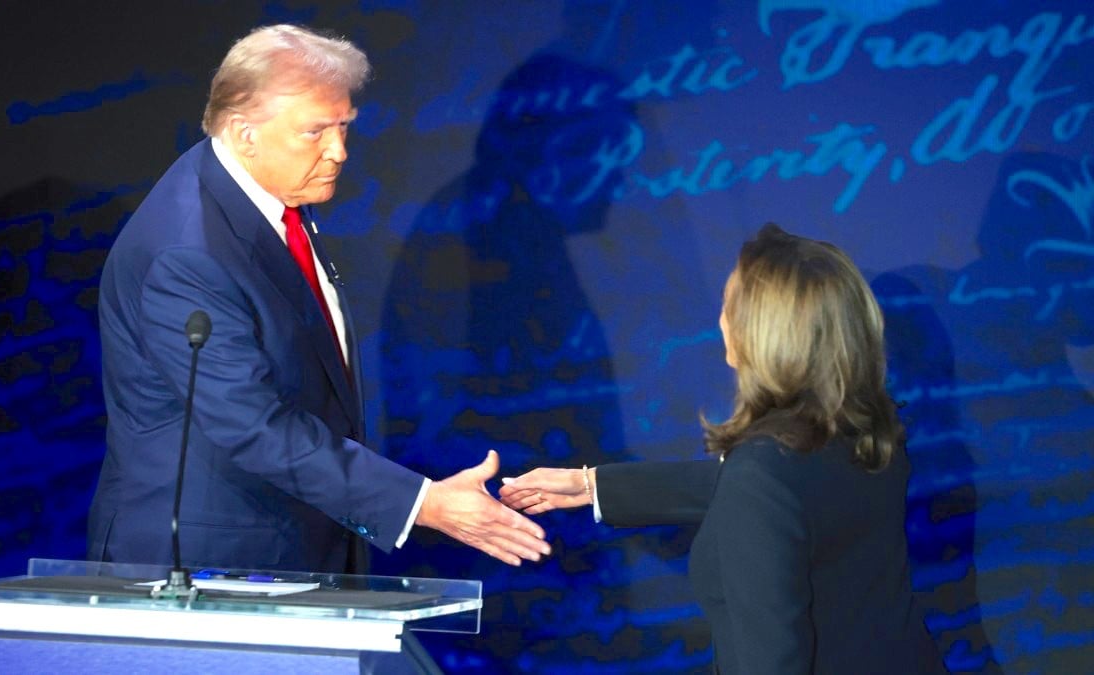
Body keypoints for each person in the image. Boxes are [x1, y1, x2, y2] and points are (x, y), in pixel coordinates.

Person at [87, 24, 550, 575]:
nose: (339, 152)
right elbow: (252, 424)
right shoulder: (189, 253)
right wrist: (421, 503)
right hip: (208, 568)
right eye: (315, 133)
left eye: (344, 127)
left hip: (292, 546)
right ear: (244, 132)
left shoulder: (263, 195)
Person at [500, 224, 947, 674]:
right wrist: (591, 485)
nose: (720, 321)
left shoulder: (764, 473)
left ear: (762, 334)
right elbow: (775, 493)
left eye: (727, 305)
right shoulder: (867, 428)